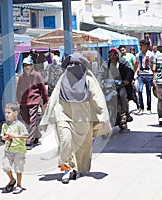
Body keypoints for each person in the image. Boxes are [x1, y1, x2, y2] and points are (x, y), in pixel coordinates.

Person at [40, 53, 111, 184]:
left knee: (82, 147)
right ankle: (65, 169)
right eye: (70, 64)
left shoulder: (88, 79)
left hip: (83, 118)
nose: (73, 67)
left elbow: (98, 98)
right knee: (65, 142)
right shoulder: (63, 79)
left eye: (76, 64)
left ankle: (76, 169)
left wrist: (103, 117)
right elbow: (55, 96)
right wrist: (46, 118)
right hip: (63, 115)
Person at [16, 56, 48, 150]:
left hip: (34, 100)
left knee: (32, 121)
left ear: (32, 65)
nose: (26, 67)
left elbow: (43, 88)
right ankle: (37, 135)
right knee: (27, 120)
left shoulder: (37, 75)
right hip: (24, 102)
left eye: (28, 65)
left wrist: (45, 101)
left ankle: (29, 141)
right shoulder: (21, 76)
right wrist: (17, 101)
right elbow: (18, 89)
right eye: (25, 65)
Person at [97, 48, 135, 122]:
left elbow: (129, 71)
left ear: (117, 55)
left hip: (121, 85)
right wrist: (98, 82)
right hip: (109, 85)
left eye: (114, 55)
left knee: (122, 95)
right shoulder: (106, 64)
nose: (112, 57)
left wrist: (127, 80)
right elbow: (100, 73)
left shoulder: (123, 62)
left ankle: (127, 113)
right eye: (111, 55)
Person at [0, 102, 28, 194]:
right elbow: (2, 136)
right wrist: (5, 138)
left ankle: (19, 185)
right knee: (6, 167)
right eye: (6, 113)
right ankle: (12, 180)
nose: (6, 115)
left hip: (19, 150)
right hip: (8, 150)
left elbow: (25, 136)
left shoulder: (20, 125)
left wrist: (14, 136)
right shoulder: (5, 125)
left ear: (15, 113)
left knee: (18, 169)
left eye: (9, 113)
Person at [135, 39, 155, 115]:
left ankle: (149, 108)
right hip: (141, 74)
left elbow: (153, 64)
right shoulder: (138, 55)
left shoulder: (151, 54)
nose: (140, 47)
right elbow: (136, 64)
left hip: (149, 74)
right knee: (139, 90)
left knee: (148, 92)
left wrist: (154, 76)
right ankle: (141, 107)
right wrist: (135, 73)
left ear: (146, 46)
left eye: (141, 45)